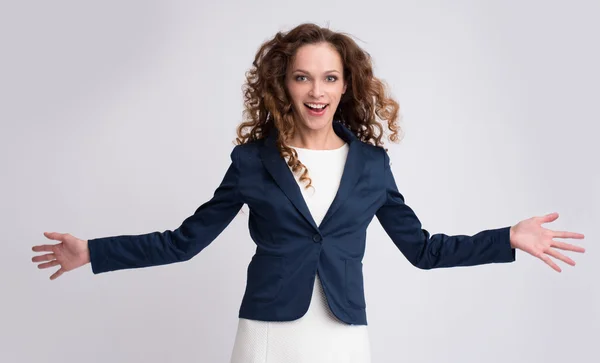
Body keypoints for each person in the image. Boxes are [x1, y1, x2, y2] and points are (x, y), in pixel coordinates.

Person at [31, 23, 586, 363]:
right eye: (302, 77)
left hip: (343, 338)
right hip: (268, 334)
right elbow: (184, 241)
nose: (315, 90)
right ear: (284, 85)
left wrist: (507, 239)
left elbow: (425, 250)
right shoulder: (252, 162)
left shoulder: (371, 166)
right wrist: (93, 252)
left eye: (328, 77)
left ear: (346, 85)